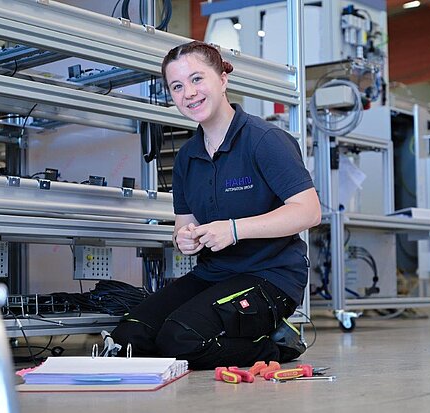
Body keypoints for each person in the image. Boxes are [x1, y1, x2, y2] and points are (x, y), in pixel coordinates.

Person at [112, 41, 321, 370]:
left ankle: (275, 344)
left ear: (223, 78)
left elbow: (309, 211)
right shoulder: (187, 158)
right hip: (213, 275)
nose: (189, 93)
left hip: (270, 277)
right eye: (177, 86)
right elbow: (185, 223)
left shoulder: (264, 140)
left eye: (197, 79)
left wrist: (235, 230)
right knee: (129, 337)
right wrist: (183, 238)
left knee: (179, 340)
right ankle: (228, 334)